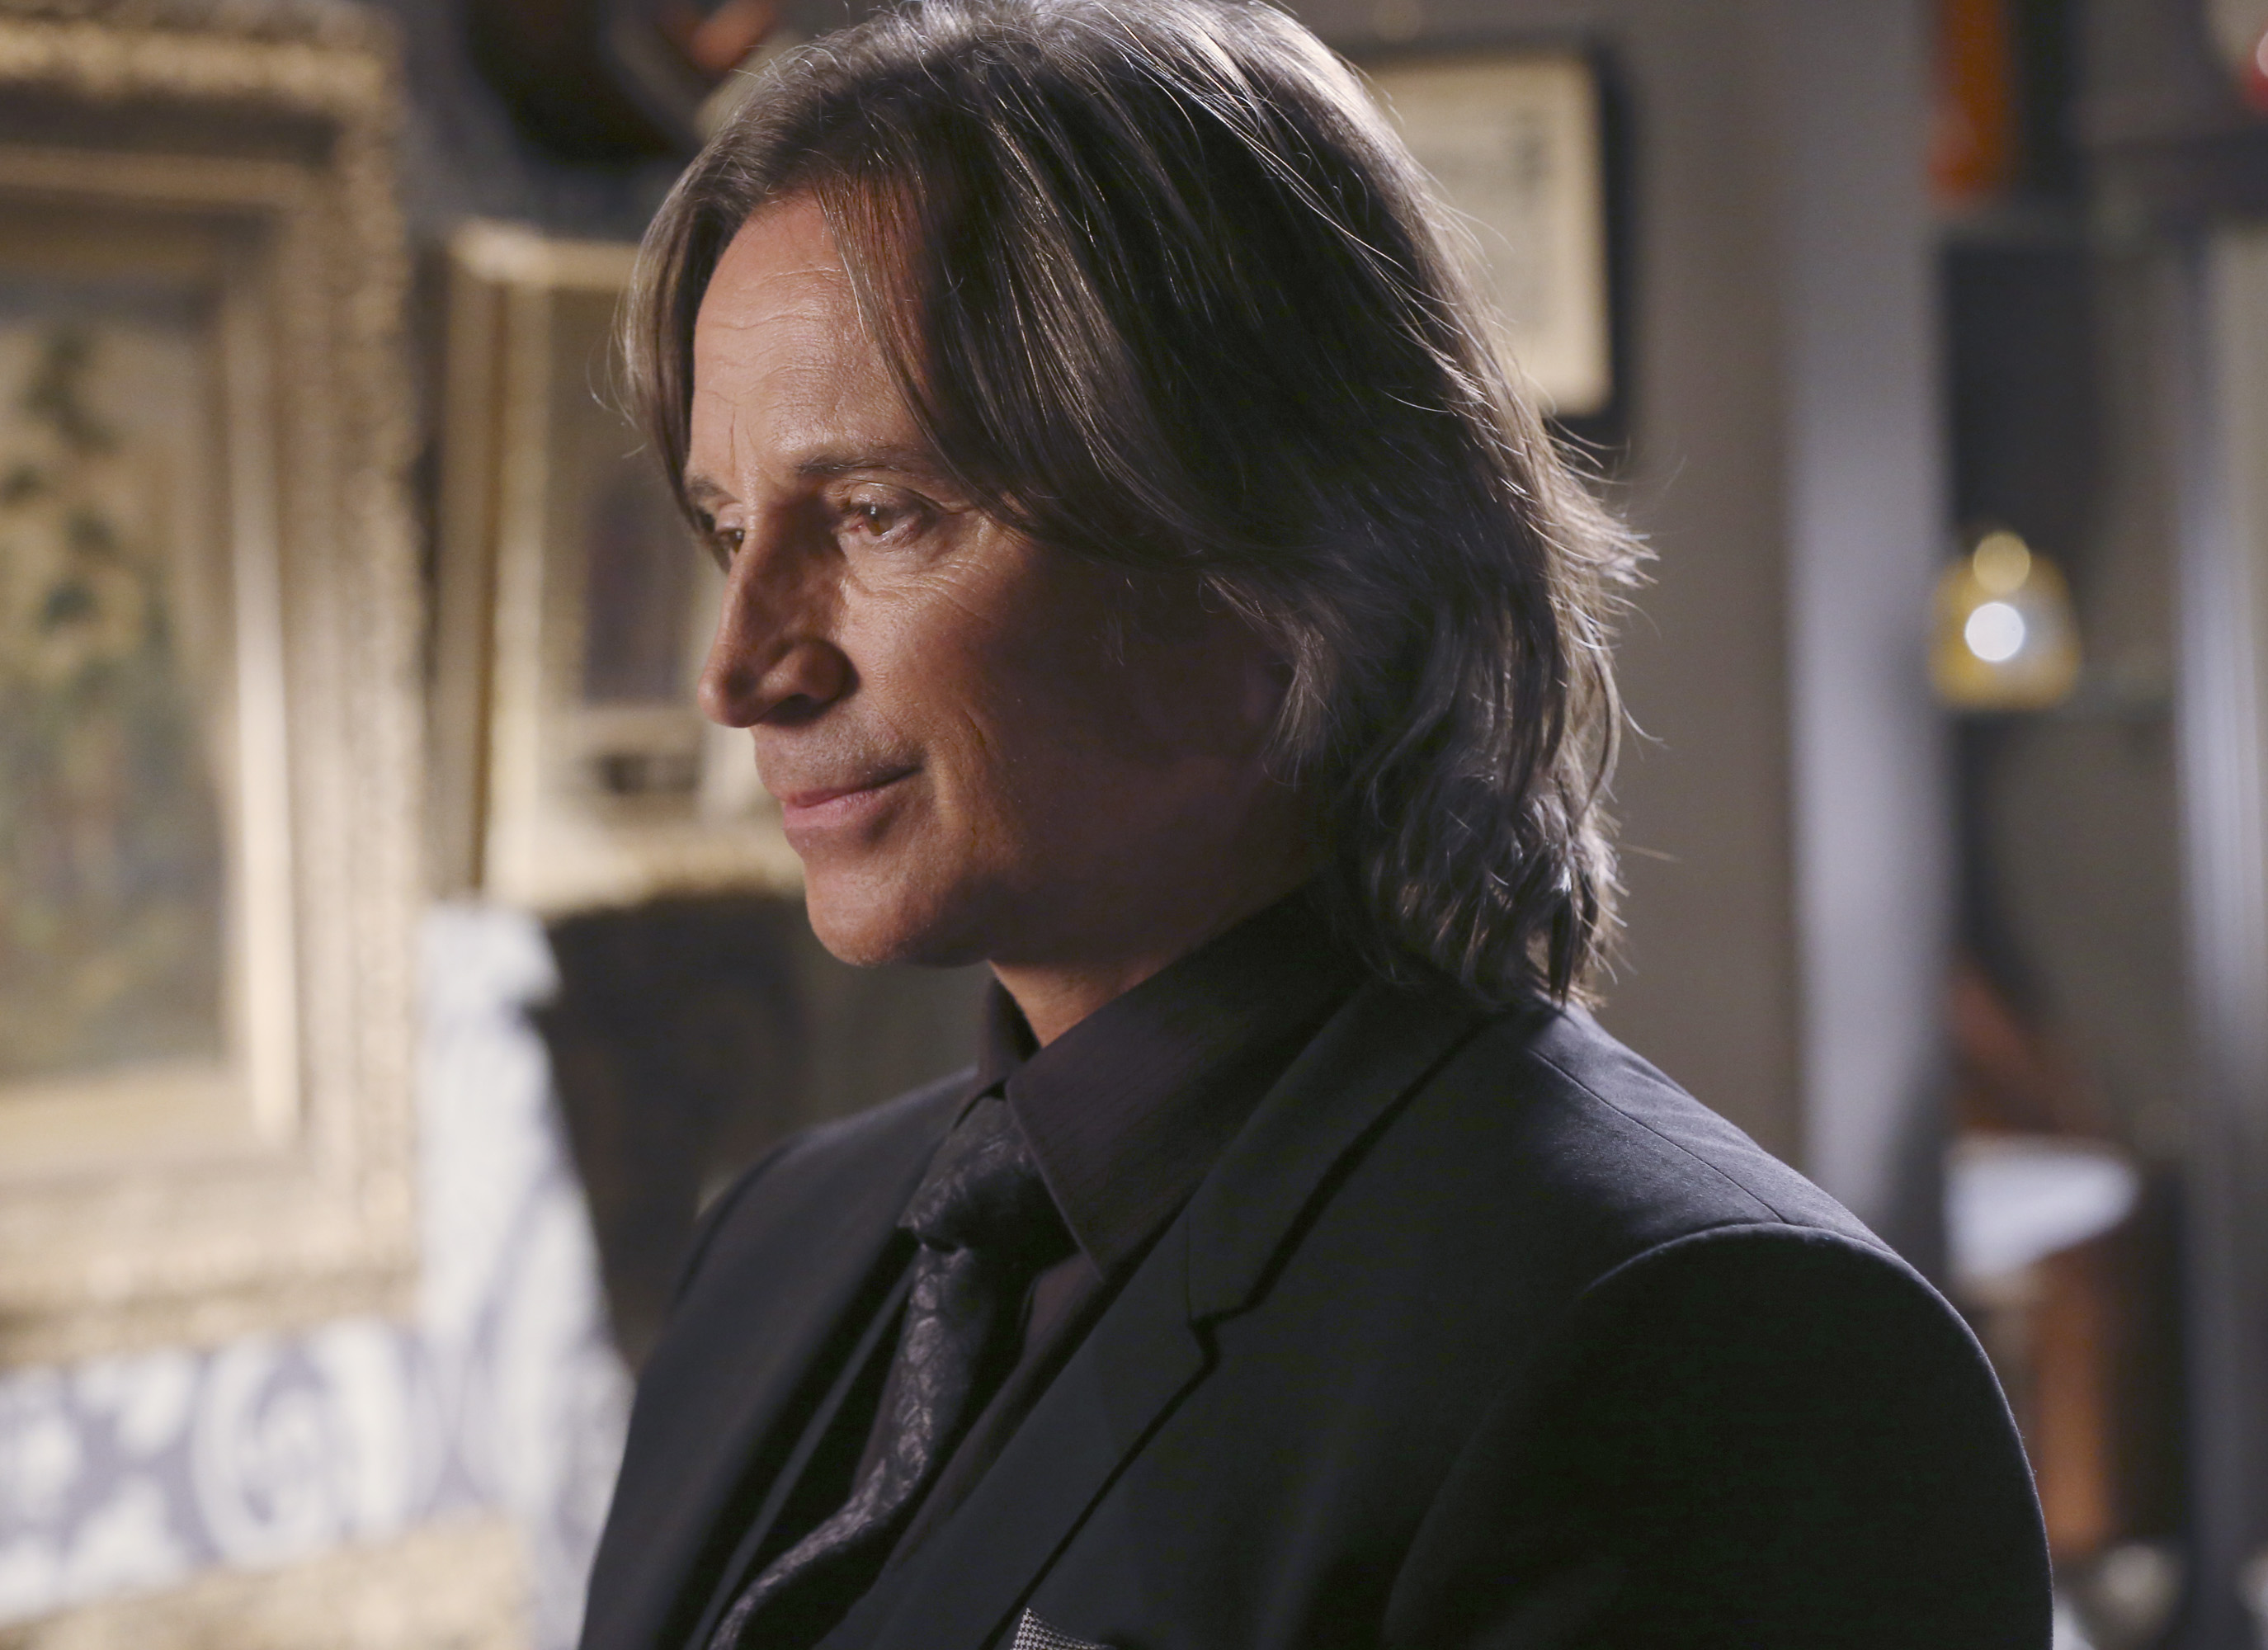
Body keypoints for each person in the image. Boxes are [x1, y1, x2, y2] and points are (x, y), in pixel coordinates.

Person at [578, 2, 2052, 1646]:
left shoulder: (1707, 1345)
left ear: (1267, 550)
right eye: (731, 529)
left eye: (875, 513)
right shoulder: (776, 1245)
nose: (741, 671)